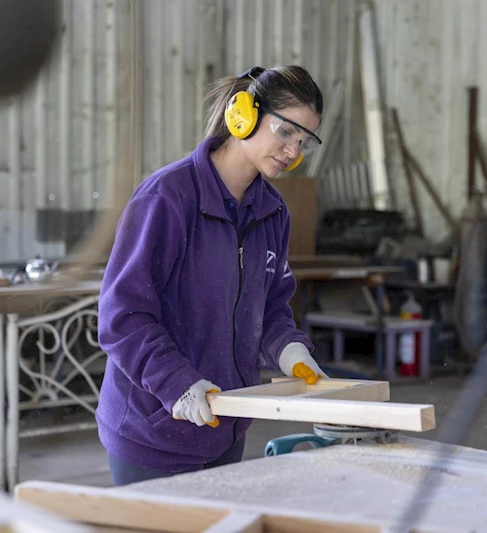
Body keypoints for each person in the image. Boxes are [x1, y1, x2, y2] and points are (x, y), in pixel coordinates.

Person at [96, 65, 329, 486]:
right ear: (244, 114)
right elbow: (122, 318)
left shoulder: (272, 211)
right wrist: (176, 383)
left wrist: (291, 351)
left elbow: (272, 306)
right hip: (154, 430)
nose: (292, 151)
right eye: (285, 131)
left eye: (304, 142)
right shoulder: (167, 198)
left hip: (225, 424)